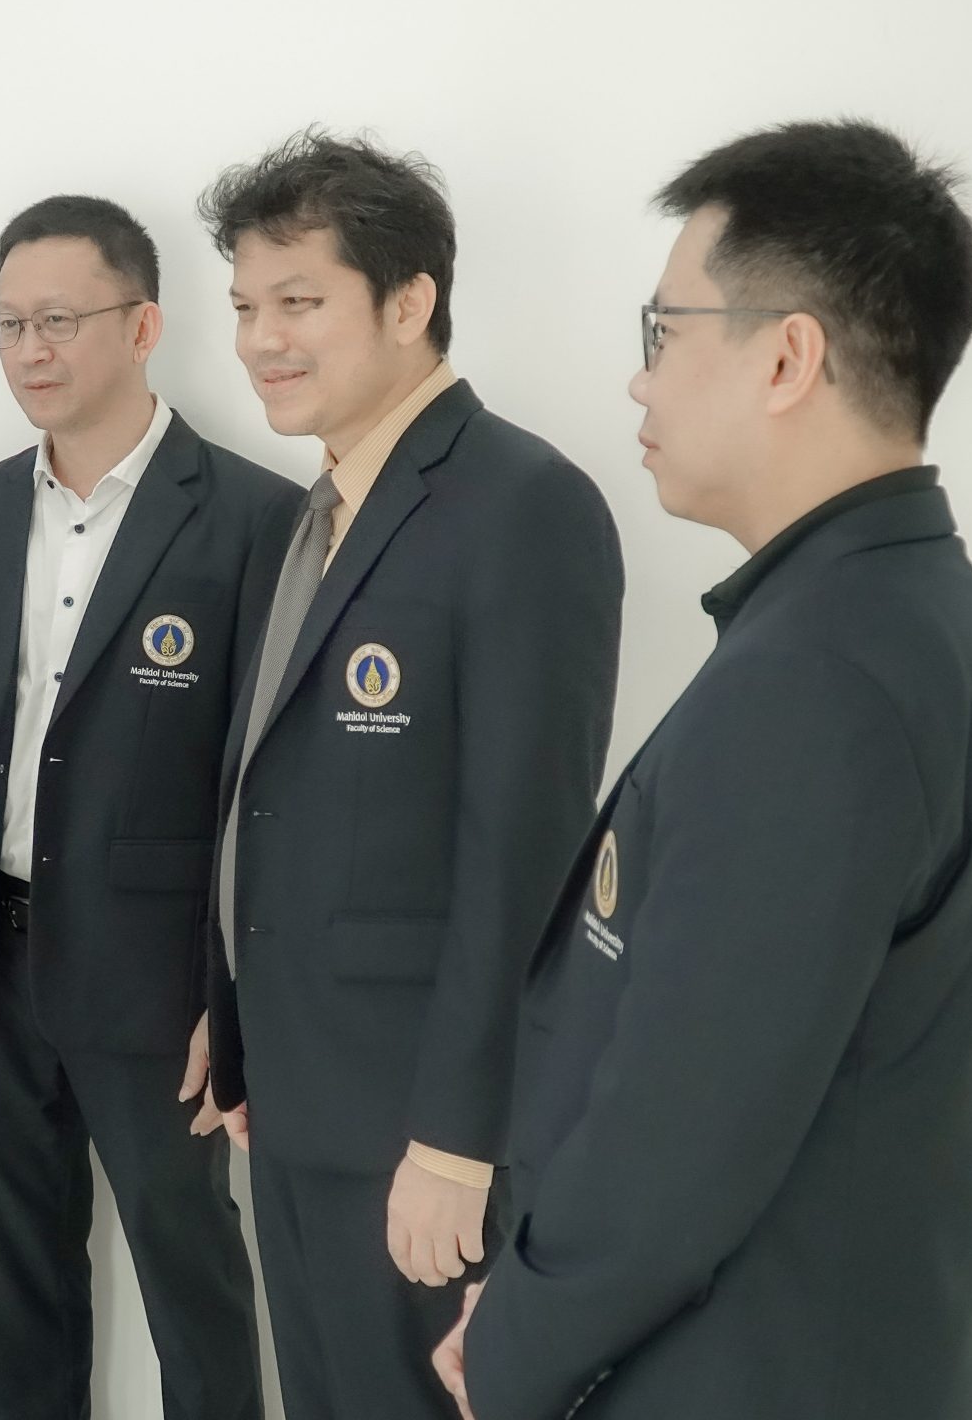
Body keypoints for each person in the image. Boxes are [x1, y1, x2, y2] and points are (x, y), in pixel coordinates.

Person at [433, 120, 972, 1420]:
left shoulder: (820, 679)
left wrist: (514, 1342)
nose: (639, 382)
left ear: (786, 357)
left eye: (664, 334)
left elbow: (681, 1134)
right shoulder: (901, 616)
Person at [193, 130, 625, 1420]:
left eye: (297, 302)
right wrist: (240, 1027)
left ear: (408, 301)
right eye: (244, 308)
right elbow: (274, 796)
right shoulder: (314, 511)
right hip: (297, 1102)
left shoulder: (521, 503)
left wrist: (457, 1141)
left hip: (415, 1135)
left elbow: (523, 858)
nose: (261, 340)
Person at [0, 195, 296, 1420]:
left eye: (57, 320)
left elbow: (258, 789)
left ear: (143, 325)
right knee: (12, 1286)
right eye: (8, 324)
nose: (29, 351)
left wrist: (227, 993)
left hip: (156, 981)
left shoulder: (254, 517)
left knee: (190, 1275)